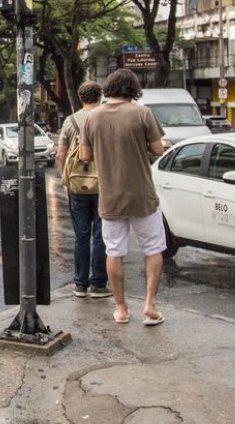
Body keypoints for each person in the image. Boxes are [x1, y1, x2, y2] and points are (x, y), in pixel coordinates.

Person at [80, 68, 166, 326]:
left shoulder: (92, 118)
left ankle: (121, 308)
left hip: (110, 197)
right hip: (143, 196)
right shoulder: (142, 113)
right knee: (153, 249)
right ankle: (150, 304)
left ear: (108, 88)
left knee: (114, 251)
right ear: (134, 89)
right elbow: (159, 149)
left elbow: (85, 156)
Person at [56, 81, 110, 299]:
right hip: (103, 184)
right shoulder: (106, 118)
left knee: (81, 236)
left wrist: (66, 180)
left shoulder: (70, 121)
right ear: (100, 97)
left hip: (77, 186)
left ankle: (80, 284)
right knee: (101, 235)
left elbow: (60, 154)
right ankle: (98, 284)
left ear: (80, 98)